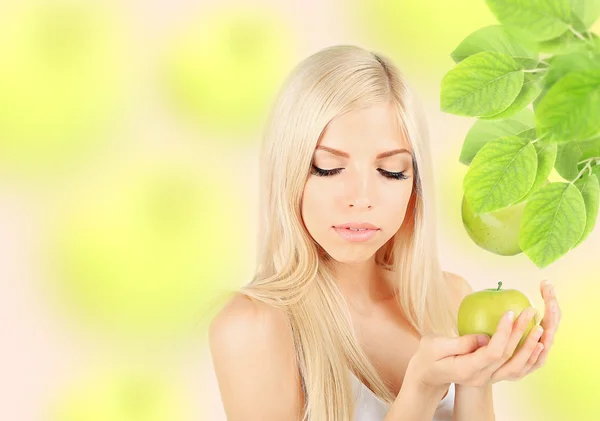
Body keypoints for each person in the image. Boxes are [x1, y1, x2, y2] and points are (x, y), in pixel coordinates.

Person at [207, 45, 561, 421]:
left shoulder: (449, 297)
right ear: (288, 172)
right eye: (327, 168)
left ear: (415, 184)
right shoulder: (251, 326)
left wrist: (477, 379)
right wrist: (420, 389)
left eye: (391, 171)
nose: (361, 199)